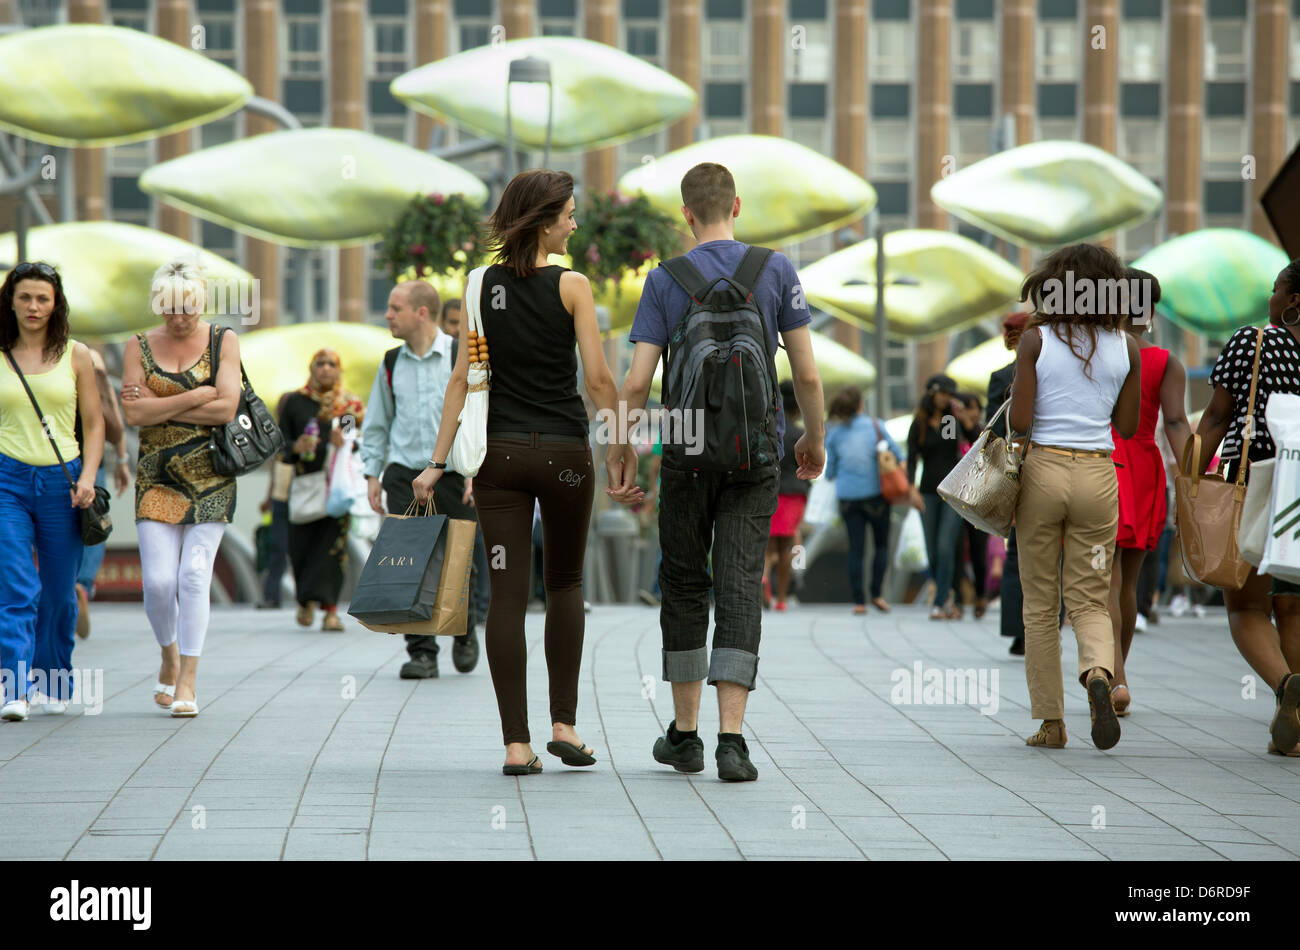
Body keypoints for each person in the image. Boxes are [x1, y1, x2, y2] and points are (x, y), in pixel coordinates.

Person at [412, 168, 630, 775]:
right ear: (544, 220)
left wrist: (436, 464)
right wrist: (619, 444)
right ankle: (565, 724)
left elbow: (461, 380)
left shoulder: (479, 285)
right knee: (564, 584)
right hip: (563, 456)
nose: (575, 224)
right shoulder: (575, 287)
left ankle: (516, 743)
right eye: (568, 215)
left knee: (506, 595)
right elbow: (599, 380)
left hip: (499, 459)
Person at [615, 161, 826, 782]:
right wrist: (812, 441)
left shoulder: (665, 279)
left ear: (686, 214)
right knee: (739, 582)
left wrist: (621, 451)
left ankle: (685, 736)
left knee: (683, 583)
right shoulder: (775, 270)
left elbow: (635, 381)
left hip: (685, 452)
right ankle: (732, 743)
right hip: (757, 454)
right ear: (736, 207)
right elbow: (807, 375)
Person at [1008, 243, 1141, 750]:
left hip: (1042, 469)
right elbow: (1127, 425)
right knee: (1089, 597)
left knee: (1040, 603)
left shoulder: (1036, 340)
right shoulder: (1125, 346)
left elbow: (1020, 422)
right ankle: (1098, 674)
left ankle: (1051, 722)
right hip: (1098, 474)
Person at [120, 256, 242, 718]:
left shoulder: (222, 340)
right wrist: (195, 396)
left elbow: (226, 408)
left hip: (211, 476)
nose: (179, 316)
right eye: (170, 307)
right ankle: (168, 654)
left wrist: (161, 404)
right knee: (156, 582)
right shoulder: (137, 347)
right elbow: (133, 415)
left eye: (187, 306)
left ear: (201, 301)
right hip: (156, 477)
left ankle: (187, 677)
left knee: (192, 576)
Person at [1195, 260, 1300, 756]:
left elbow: (1217, 416)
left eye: (1277, 289)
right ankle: (1297, 726)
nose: (1271, 296)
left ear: (1292, 301)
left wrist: (1192, 479)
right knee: (1294, 604)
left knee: (1247, 607)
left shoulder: (1254, 341)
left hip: (1255, 478)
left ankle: (1285, 689)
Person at [361, 279, 480, 679]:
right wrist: (372, 474)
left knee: (459, 556)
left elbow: (477, 418)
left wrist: (475, 470)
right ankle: (422, 653)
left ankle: (463, 630)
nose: (388, 315)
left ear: (421, 313)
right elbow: (377, 423)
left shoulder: (457, 357)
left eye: (395, 308)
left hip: (453, 471)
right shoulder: (391, 362)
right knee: (406, 563)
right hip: (403, 474)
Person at [0, 262, 103, 721]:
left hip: (65, 484)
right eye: (25, 297)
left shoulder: (76, 355)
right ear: (11, 301)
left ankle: (54, 678)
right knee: (17, 587)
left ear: (55, 303)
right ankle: (14, 688)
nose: (34, 307)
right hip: (7, 482)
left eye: (43, 298)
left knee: (61, 593)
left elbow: (95, 423)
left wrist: (88, 477)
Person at [1106, 270, 1190, 718]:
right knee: (1130, 584)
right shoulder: (1165, 361)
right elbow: (1176, 423)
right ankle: (1119, 678)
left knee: (1106, 580)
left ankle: (1112, 676)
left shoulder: (1099, 353)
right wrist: (1194, 473)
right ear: (1151, 311)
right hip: (1144, 467)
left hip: (1101, 462)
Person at [280, 348, 364, 632]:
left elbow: (355, 441)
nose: (326, 369)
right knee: (300, 547)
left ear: (339, 370)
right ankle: (305, 601)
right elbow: (280, 446)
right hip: (305, 486)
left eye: (332, 364)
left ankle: (330, 611)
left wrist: (345, 439)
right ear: (311, 368)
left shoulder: (348, 405)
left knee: (332, 550)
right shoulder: (295, 403)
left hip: (336, 489)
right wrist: (296, 446)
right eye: (320, 364)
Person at [824, 385, 905, 614]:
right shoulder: (876, 426)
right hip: (877, 497)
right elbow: (898, 456)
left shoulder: (835, 434)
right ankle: (877, 594)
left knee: (855, 550)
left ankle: (859, 601)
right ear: (861, 404)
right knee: (881, 546)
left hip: (848, 499)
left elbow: (830, 472)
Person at [439, 297, 492, 631]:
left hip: (472, 464)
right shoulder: (440, 360)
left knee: (474, 547)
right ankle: (425, 640)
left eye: (464, 323)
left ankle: (473, 617)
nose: (459, 331)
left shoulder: (481, 356)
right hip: (440, 465)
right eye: (453, 324)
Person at [907, 374, 978, 620]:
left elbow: (975, 441)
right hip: (927, 491)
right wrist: (910, 489)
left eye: (950, 394)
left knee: (946, 546)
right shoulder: (921, 423)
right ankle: (946, 594)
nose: (946, 398)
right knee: (932, 550)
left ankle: (940, 602)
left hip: (951, 491)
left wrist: (965, 421)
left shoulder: (950, 421)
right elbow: (912, 458)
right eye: (943, 393)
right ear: (932, 394)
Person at [74, 345, 131, 640]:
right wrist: (122, 460)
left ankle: (56, 591)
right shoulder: (90, 356)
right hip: (91, 459)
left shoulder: (27, 353)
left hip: (46, 458)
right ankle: (81, 584)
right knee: (95, 526)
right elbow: (111, 415)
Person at [988, 312, 1029, 653]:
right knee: (1051, 553)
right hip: (1052, 464)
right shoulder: (1051, 373)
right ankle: (1049, 625)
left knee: (1017, 552)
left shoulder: (999, 378)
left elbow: (988, 434)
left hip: (1013, 472)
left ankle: (1019, 632)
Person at [764, 381, 811, 611]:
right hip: (794, 494)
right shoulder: (801, 434)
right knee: (785, 548)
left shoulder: (769, 429)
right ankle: (781, 599)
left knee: (767, 545)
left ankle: (763, 580)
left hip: (769, 490)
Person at [952, 391, 990, 618]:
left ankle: (981, 595)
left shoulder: (984, 429)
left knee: (979, 549)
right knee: (955, 548)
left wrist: (968, 424)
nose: (972, 412)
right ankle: (956, 598)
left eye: (975, 408)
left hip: (977, 496)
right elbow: (946, 444)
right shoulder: (950, 426)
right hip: (956, 496)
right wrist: (955, 420)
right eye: (967, 407)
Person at [257, 392, 294, 610]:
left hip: (300, 496)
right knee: (278, 549)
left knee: (286, 549)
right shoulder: (278, 436)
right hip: (281, 496)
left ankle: (302, 598)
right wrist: (268, 496)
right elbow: (275, 469)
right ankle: (272, 595)